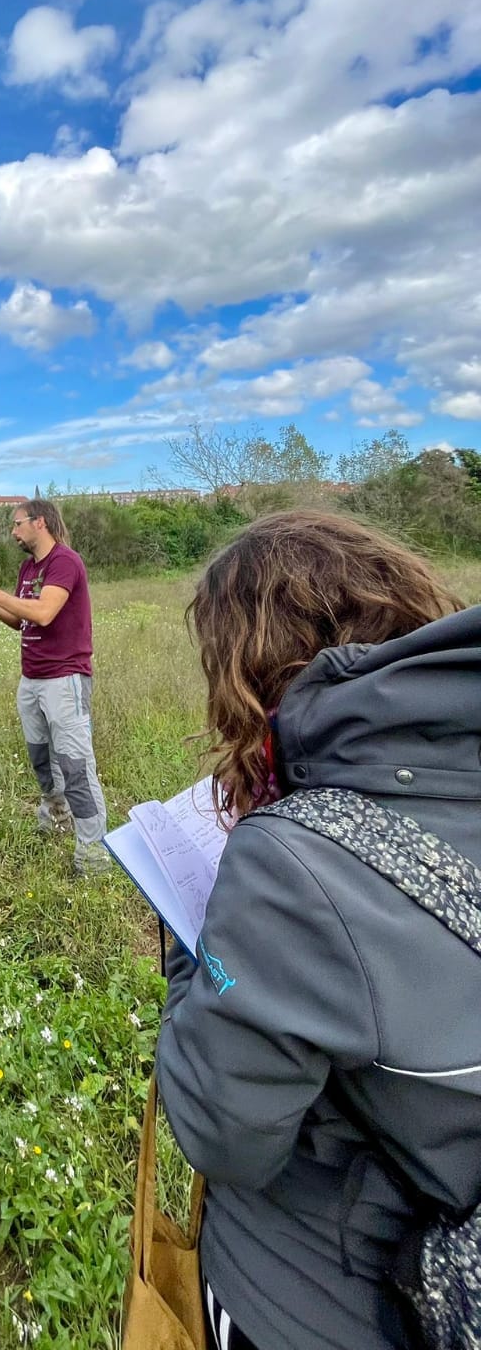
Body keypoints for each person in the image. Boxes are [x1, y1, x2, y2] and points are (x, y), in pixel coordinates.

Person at [155, 511, 479, 1350]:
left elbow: (224, 1134)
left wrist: (191, 952)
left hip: (322, 1291)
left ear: (250, 669)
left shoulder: (293, 864)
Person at [0, 499, 109, 875]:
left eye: (17, 524)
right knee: (41, 759)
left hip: (64, 679)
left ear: (39, 522)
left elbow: (43, 613)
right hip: (32, 680)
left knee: (75, 765)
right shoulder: (29, 567)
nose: (13, 532)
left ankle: (92, 855)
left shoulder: (65, 562)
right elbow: (20, 620)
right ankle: (55, 820)